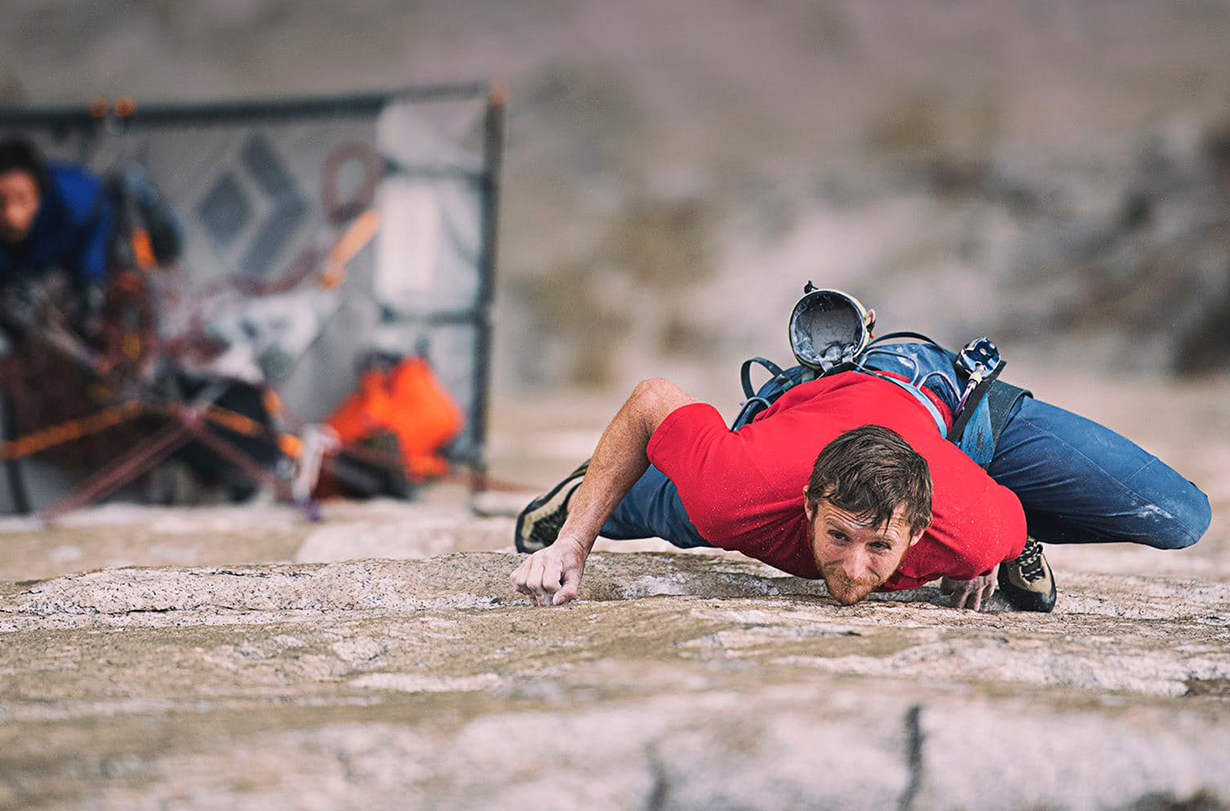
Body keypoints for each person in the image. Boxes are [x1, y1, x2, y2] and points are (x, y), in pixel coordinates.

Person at [510, 338, 1211, 612]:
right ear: (811, 502)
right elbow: (651, 400)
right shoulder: (742, 487)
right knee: (666, 504)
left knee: (1182, 518)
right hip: (812, 415)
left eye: (879, 546)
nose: (850, 567)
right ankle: (583, 492)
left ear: (920, 530)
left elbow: (1003, 513)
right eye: (840, 534)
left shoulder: (972, 527)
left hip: (951, 409)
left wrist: (1000, 546)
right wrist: (575, 540)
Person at [0, 137, 111, 307]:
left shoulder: (74, 206)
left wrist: (91, 277)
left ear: (39, 196)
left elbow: (97, 213)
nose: (11, 215)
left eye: (22, 199)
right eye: (1, 202)